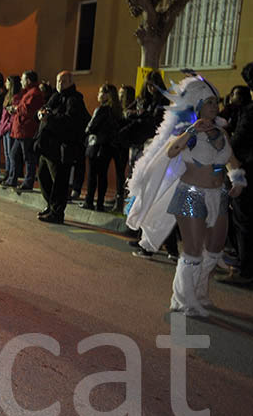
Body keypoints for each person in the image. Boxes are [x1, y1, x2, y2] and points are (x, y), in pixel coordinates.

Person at [126, 74, 246, 317]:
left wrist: (237, 179)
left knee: (214, 248)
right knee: (192, 249)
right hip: (191, 194)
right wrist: (191, 130)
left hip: (218, 196)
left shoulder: (222, 134)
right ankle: (183, 300)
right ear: (199, 105)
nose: (215, 106)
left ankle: (200, 293)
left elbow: (232, 161)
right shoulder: (189, 132)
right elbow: (170, 152)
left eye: (216, 102)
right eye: (210, 102)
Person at [35, 70, 89, 224]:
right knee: (43, 177)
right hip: (47, 147)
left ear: (71, 82)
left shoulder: (74, 100)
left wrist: (50, 117)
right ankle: (50, 205)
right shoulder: (55, 97)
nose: (60, 84)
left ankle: (57, 212)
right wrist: (41, 113)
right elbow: (44, 109)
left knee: (59, 181)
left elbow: (69, 122)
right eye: (58, 81)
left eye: (64, 81)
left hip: (61, 149)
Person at [219, 63, 253, 285]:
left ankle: (246, 271)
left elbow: (238, 142)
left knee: (244, 221)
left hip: (246, 172)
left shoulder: (249, 113)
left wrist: (223, 137)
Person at [82, 83, 122, 211]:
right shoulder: (117, 111)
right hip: (108, 147)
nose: (98, 95)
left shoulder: (101, 110)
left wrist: (88, 130)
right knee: (103, 175)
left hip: (96, 145)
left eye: (100, 92)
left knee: (92, 175)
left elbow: (90, 127)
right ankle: (100, 203)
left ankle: (89, 201)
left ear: (106, 95)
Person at [5, 70, 43, 190]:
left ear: (28, 80)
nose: (21, 81)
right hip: (21, 130)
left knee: (28, 157)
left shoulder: (34, 93)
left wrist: (16, 109)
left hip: (26, 130)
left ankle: (28, 182)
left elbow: (28, 110)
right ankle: (12, 179)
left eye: (23, 79)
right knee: (14, 154)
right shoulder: (28, 92)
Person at [0, 74, 20, 182]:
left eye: (7, 82)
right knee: (6, 153)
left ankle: (11, 174)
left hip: (9, 127)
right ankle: (7, 172)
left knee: (10, 154)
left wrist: (7, 125)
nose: (5, 84)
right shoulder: (7, 96)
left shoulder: (16, 97)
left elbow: (12, 114)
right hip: (5, 126)